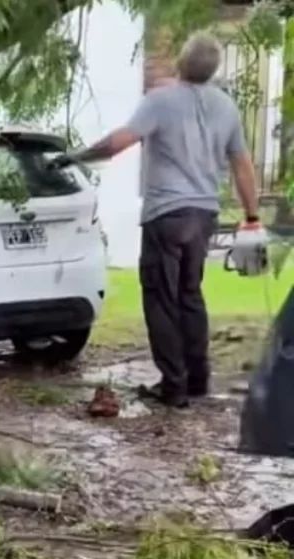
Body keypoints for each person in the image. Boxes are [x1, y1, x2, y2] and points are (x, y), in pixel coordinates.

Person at [48, 31, 260, 408]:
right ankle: (197, 379)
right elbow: (242, 165)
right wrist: (252, 216)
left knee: (161, 298)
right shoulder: (226, 107)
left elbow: (118, 142)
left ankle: (173, 385)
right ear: (212, 70)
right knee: (190, 295)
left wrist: (73, 157)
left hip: (167, 215)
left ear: (182, 61)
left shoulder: (160, 101)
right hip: (203, 215)